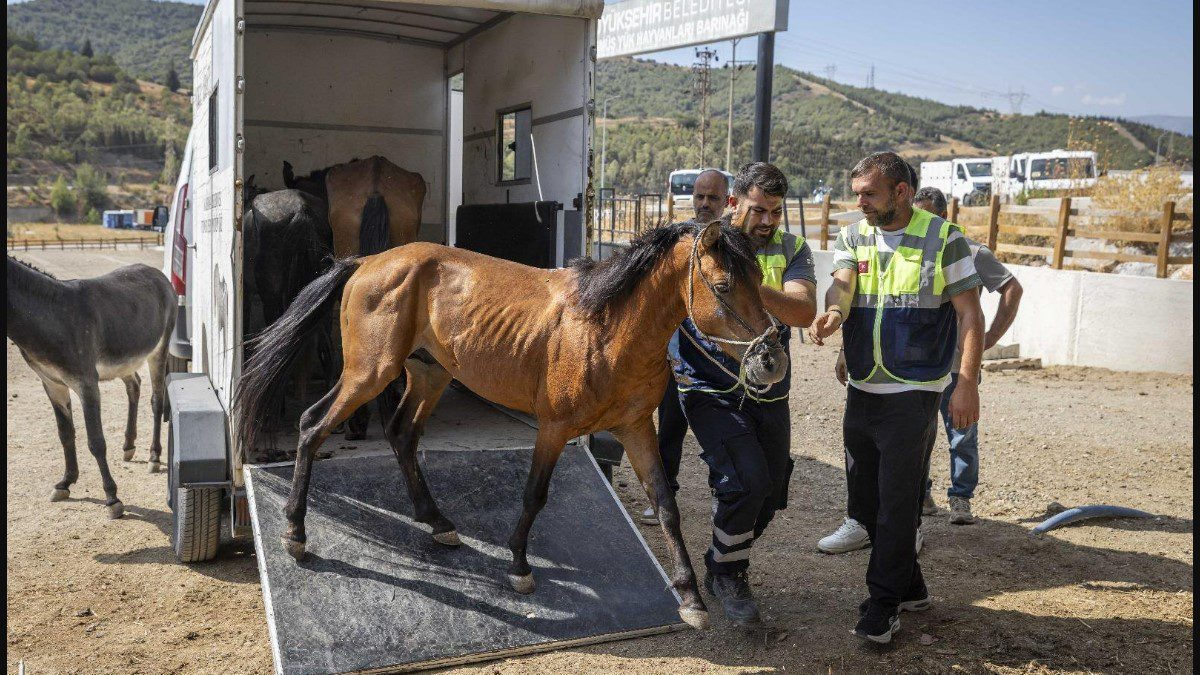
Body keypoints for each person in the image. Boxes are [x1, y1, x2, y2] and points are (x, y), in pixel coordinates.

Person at [808, 152, 985, 643]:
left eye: (869, 193)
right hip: (863, 386)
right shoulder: (854, 234)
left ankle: (882, 605)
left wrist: (966, 381)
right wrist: (833, 316)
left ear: (901, 192)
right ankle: (910, 585)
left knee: (895, 502)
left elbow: (971, 316)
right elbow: (842, 288)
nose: (859, 201)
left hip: (915, 390)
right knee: (866, 502)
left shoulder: (944, 238)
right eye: (857, 192)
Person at [668, 162, 817, 624]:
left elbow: (803, 310)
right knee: (746, 481)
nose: (768, 221)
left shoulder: (792, 248)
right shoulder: (697, 247)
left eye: (775, 211)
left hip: (770, 392)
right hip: (708, 387)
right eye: (758, 210)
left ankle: (720, 558)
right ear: (734, 203)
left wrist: (751, 288)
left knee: (769, 494)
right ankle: (728, 574)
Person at [642, 169, 731, 525]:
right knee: (668, 433)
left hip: (720, 362)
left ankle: (721, 496)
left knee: (719, 436)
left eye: (713, 198)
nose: (705, 204)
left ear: (728, 201)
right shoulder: (674, 240)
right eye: (699, 197)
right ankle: (664, 498)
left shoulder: (731, 245)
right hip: (675, 360)